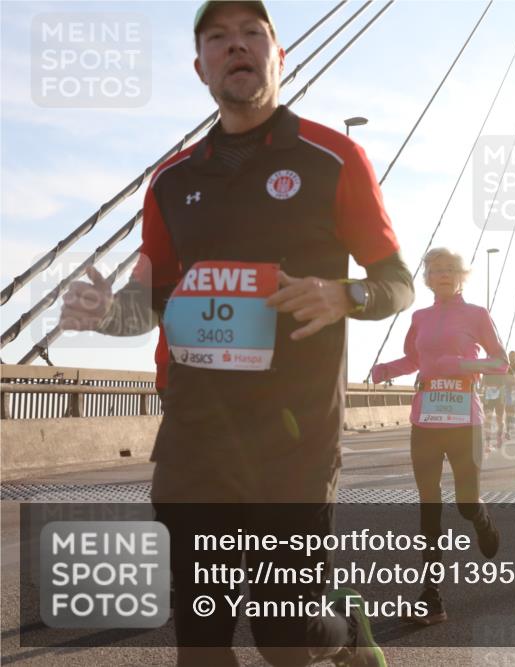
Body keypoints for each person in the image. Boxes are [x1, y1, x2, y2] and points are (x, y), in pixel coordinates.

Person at [61, 3, 414, 665]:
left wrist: (345, 294)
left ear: (279, 57)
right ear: (200, 68)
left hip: (295, 437)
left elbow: (396, 280)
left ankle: (340, 622)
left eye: (254, 33)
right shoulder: (171, 181)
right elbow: (153, 301)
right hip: (197, 435)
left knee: (285, 638)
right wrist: (105, 313)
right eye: (218, 38)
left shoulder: (333, 159)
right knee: (199, 639)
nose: (237, 46)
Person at [371, 248, 507, 627]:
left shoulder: (477, 315)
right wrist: (386, 369)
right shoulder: (420, 316)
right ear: (427, 278)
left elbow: (500, 363)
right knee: (428, 507)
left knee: (464, 503)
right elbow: (415, 360)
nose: (443, 274)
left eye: (450, 269)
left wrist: (460, 364)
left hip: (465, 419)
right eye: (435, 270)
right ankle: (431, 598)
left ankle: (480, 518)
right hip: (426, 419)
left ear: (461, 276)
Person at [482, 368, 507, 445]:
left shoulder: (501, 367)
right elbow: (483, 383)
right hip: (489, 396)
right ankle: (488, 441)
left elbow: (506, 382)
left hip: (499, 396)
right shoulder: (486, 368)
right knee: (488, 419)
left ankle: (498, 438)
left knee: (499, 418)